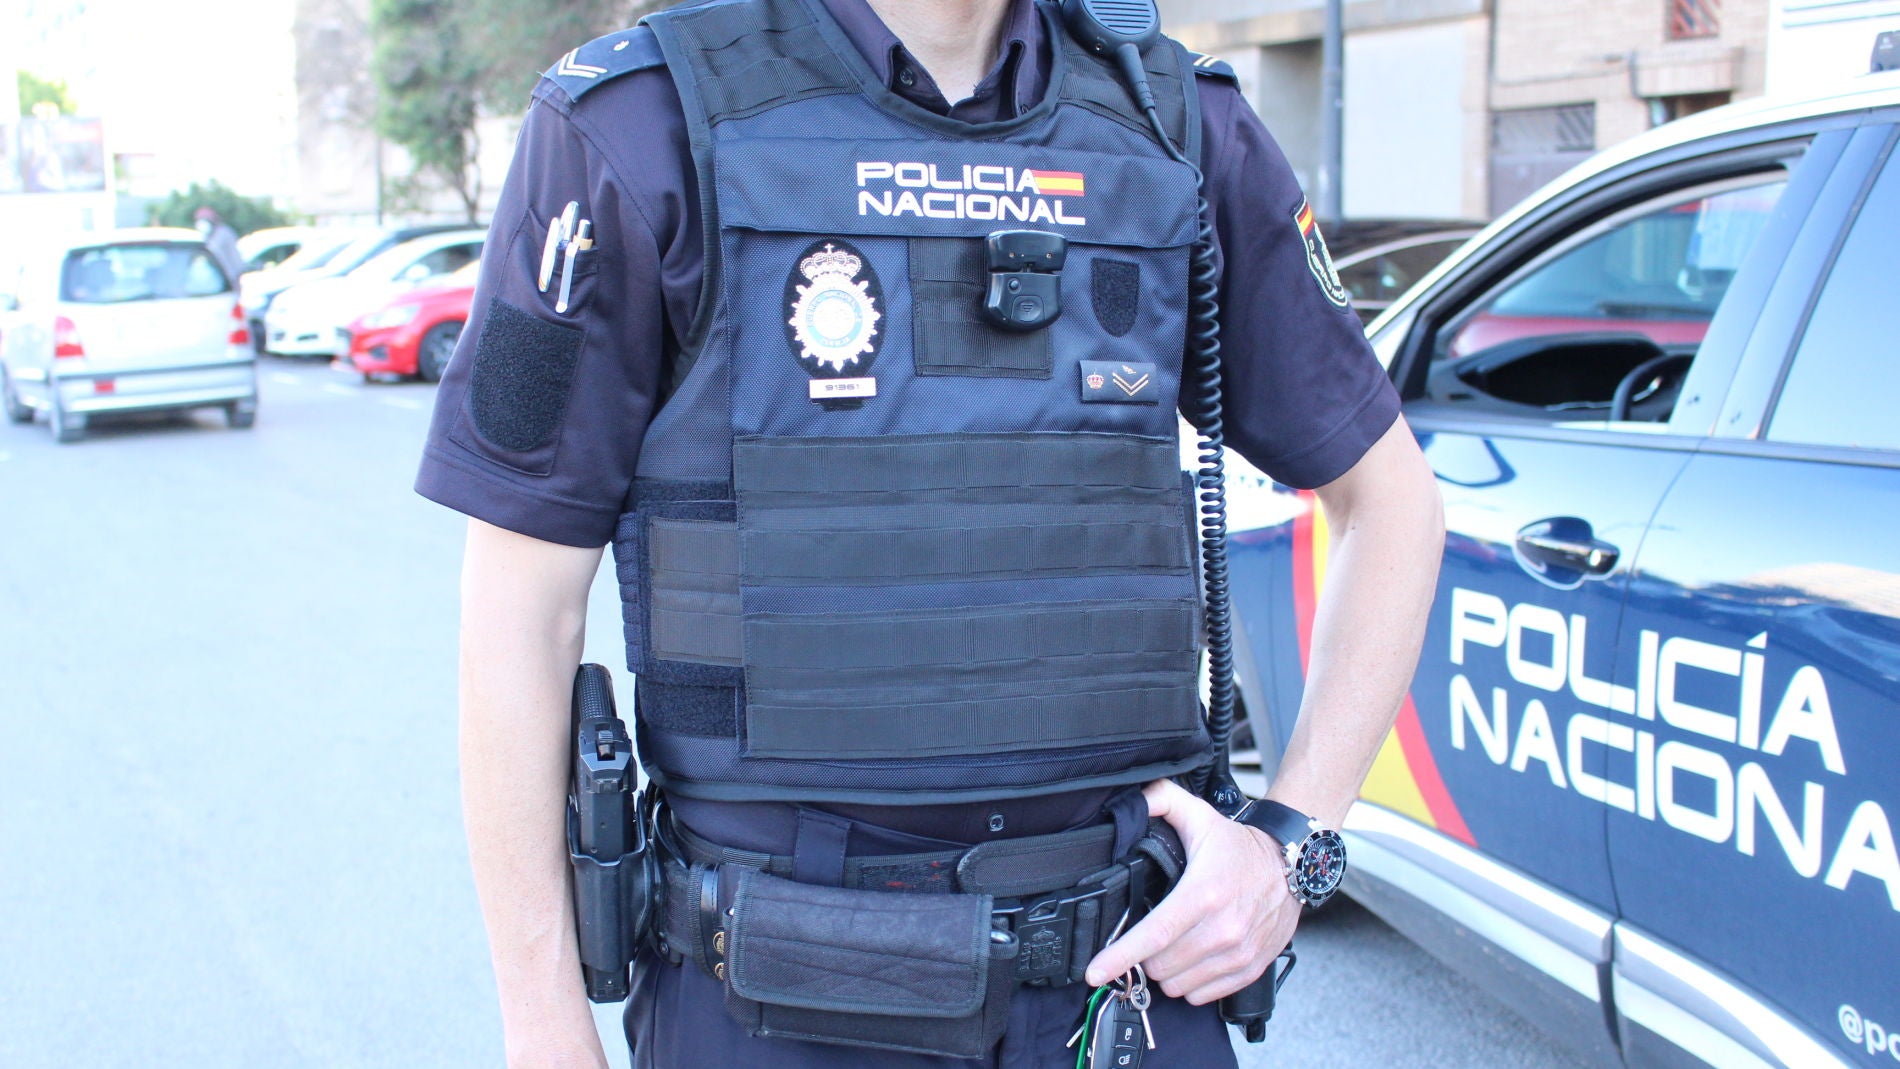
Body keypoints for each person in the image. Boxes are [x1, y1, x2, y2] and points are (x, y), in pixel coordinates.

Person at [415, 0, 1444, 1066]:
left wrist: (1291, 848)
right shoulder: (639, 121)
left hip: (1125, 990)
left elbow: (1392, 503)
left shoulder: (1177, 119)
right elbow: (520, 614)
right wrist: (544, 1031)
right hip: (773, 994)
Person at [193, 207, 244, 285]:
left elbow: (235, 257)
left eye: (204, 220)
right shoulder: (205, 236)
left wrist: (237, 276)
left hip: (229, 278)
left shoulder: (224, 233)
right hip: (212, 279)